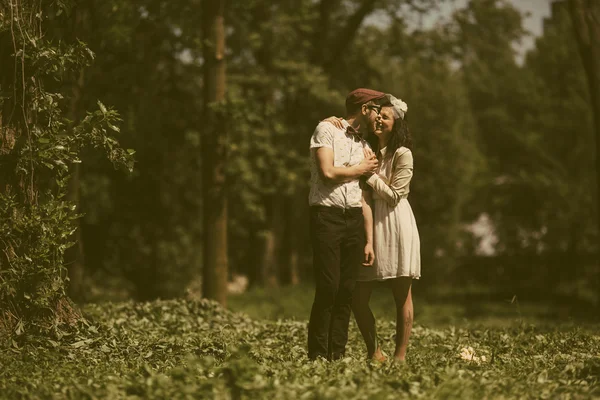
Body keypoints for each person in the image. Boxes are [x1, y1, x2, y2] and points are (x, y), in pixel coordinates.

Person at [324, 94, 420, 362]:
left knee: (401, 295)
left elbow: (394, 195)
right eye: (378, 116)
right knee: (358, 296)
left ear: (396, 124)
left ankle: (400, 356)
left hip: (396, 223)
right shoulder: (367, 149)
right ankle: (374, 350)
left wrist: (369, 174)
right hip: (370, 224)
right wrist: (333, 122)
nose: (378, 120)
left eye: (385, 117)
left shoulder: (403, 154)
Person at [307, 88, 388, 361]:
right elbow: (327, 172)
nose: (378, 115)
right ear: (364, 108)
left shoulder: (364, 145)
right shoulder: (326, 130)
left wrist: (368, 240)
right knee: (329, 286)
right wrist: (360, 170)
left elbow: (363, 198)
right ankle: (317, 356)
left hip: (353, 218)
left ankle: (337, 356)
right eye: (376, 109)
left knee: (346, 290)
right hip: (327, 216)